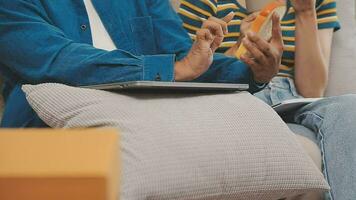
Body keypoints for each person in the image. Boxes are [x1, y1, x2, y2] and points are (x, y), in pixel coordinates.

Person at [0, 0, 283, 128]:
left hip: (152, 115)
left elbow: (187, 58)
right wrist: (171, 69)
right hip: (51, 131)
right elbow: (58, 60)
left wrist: (254, 70)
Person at [179, 0, 356, 199]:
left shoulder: (318, 3)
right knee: (302, 149)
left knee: (350, 107)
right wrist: (240, 48)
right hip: (239, 99)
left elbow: (312, 89)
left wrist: (305, 11)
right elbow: (191, 74)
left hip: (292, 102)